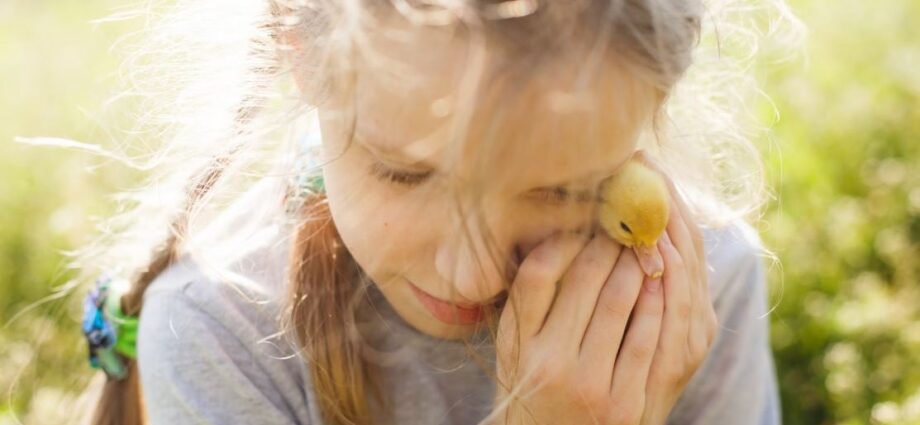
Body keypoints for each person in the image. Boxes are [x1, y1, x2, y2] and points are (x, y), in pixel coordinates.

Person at [74, 0, 800, 424]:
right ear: (299, 54)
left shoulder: (695, 294)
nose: (471, 273)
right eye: (404, 173)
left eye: (564, 190)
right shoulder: (221, 333)